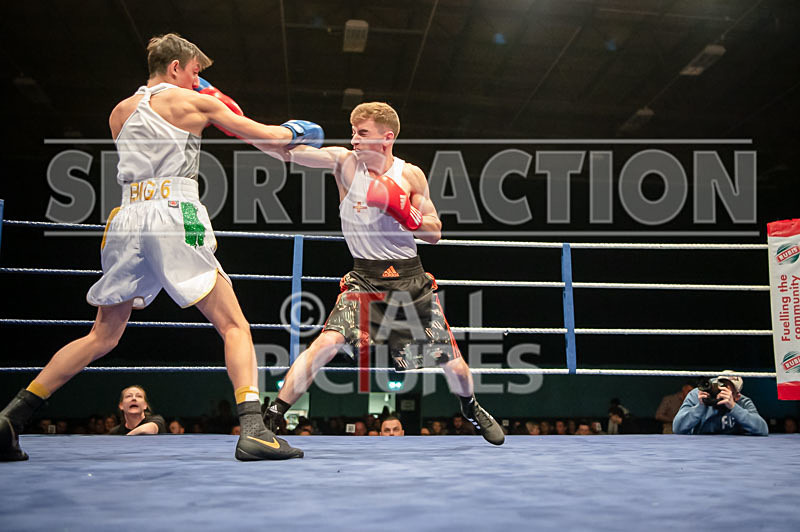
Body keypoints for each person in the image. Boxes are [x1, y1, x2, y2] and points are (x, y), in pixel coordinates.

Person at [0, 33, 323, 462]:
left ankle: (11, 417)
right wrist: (298, 129)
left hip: (126, 218)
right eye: (194, 72)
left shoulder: (119, 112)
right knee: (234, 326)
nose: (198, 80)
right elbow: (267, 136)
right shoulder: (193, 103)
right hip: (175, 212)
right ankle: (254, 430)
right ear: (175, 67)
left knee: (102, 334)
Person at [261, 102, 504, 446]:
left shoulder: (409, 175)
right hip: (364, 279)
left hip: (410, 280)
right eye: (353, 132)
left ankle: (470, 407)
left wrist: (405, 212)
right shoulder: (343, 162)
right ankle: (271, 417)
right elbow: (286, 154)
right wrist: (275, 133)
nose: (354, 140)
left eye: (362, 133)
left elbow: (435, 232)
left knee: (454, 364)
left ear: (387, 138)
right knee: (326, 344)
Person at [672, 372, 768, 436]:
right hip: (700, 446)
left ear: (737, 396)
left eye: (726, 387)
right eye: (720, 385)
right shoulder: (697, 395)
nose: (720, 390)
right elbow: (677, 428)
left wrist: (734, 407)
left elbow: (763, 429)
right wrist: (700, 407)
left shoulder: (742, 401)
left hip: (734, 448)